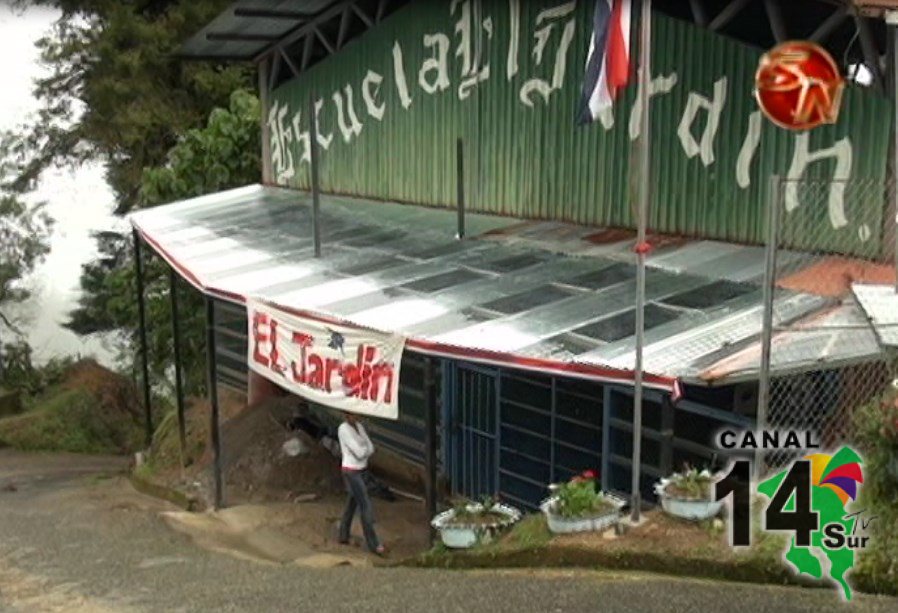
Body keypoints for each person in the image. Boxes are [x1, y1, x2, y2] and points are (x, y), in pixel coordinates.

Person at [337, 411, 385, 555]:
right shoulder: (343, 429)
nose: (357, 417)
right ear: (347, 415)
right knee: (365, 505)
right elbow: (360, 452)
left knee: (352, 503)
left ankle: (343, 534)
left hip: (361, 470)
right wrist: (364, 450)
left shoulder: (359, 426)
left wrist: (364, 450)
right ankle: (373, 544)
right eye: (353, 414)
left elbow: (371, 447)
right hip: (351, 471)